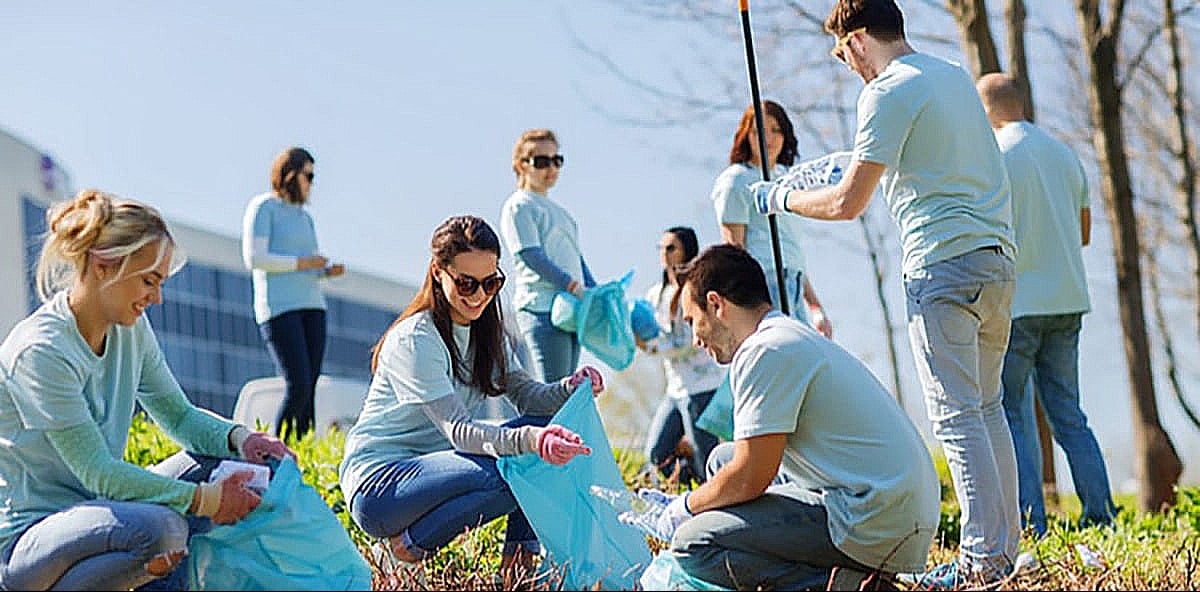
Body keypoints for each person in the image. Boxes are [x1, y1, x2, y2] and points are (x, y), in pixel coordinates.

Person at [750, 1, 1020, 586]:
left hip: (940, 266)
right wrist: (836, 165)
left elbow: (850, 203)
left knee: (956, 415)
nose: (844, 64)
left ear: (859, 39)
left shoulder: (885, 92)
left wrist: (781, 200)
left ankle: (978, 563)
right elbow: (918, 159)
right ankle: (1002, 553)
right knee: (989, 407)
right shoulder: (949, 76)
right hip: (996, 262)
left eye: (841, 51)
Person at [0, 189, 296, 590]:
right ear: (104, 266)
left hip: (102, 515)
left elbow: (177, 415)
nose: (156, 298)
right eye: (149, 281)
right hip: (29, 541)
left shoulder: (131, 330)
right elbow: (98, 472)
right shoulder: (42, 350)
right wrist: (206, 501)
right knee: (162, 530)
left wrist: (242, 440)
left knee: (218, 469)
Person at [647, 244, 939, 591]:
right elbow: (743, 465)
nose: (695, 339)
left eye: (694, 321)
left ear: (716, 304)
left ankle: (851, 584)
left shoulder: (765, 351)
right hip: (891, 506)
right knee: (721, 460)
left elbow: (751, 477)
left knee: (694, 543)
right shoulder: (784, 335)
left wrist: (684, 506)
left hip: (875, 519)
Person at [338, 215, 603, 585]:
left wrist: (568, 387)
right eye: (466, 283)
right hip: (381, 488)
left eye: (491, 283)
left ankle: (516, 573)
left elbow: (528, 398)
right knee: (520, 462)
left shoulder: (487, 334)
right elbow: (459, 431)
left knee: (538, 441)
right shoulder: (417, 339)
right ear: (438, 272)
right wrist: (531, 442)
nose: (479, 296)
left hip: (439, 473)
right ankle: (407, 545)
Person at [977, 72, 1116, 537]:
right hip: (1068, 300)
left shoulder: (994, 157)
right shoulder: (1064, 154)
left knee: (1013, 413)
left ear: (990, 108)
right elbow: (1083, 234)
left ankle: (1033, 524)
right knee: (1069, 415)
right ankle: (1102, 516)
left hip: (1017, 304)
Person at [241, 146, 345, 440]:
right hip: (279, 308)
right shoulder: (264, 208)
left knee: (310, 384)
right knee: (297, 382)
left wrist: (325, 270)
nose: (311, 183)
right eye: (308, 175)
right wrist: (303, 262)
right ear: (291, 174)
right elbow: (255, 258)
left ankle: (304, 453)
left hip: (312, 305)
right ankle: (278, 451)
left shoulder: (304, 218)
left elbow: (308, 265)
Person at [711, 101, 832, 337]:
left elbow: (791, 251)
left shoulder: (787, 182)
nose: (768, 138)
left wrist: (815, 306)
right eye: (758, 131)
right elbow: (734, 249)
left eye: (776, 130)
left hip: (793, 285)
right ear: (746, 135)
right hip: (763, 285)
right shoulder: (737, 180)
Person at [499, 129, 596, 383]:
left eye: (556, 160)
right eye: (542, 161)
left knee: (566, 391)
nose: (551, 168)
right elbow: (530, 254)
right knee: (554, 391)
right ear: (522, 165)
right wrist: (570, 284)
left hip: (571, 309)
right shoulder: (519, 205)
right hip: (541, 307)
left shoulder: (563, 213)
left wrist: (594, 290)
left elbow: (576, 258)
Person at [639, 226, 725, 485]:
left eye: (671, 248)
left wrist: (654, 347)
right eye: (661, 248)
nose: (664, 254)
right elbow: (650, 332)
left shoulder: (696, 290)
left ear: (686, 250)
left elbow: (692, 340)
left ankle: (716, 500)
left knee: (706, 456)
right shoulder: (655, 294)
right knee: (656, 454)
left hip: (701, 387)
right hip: (674, 389)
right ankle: (693, 490)